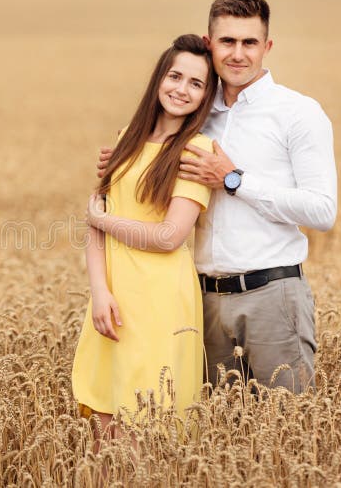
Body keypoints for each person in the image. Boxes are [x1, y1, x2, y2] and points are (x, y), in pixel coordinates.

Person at [95, 0, 337, 394]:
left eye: (249, 42)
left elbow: (322, 211)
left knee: (288, 433)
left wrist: (234, 179)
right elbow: (152, 155)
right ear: (210, 43)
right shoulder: (196, 114)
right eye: (227, 41)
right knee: (220, 440)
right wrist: (125, 162)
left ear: (267, 47)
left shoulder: (298, 112)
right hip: (201, 302)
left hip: (272, 296)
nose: (238, 53)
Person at [71, 34, 218, 444]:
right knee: (103, 419)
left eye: (196, 84)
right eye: (175, 76)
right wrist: (99, 292)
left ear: (206, 96)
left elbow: (169, 236)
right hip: (113, 296)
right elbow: (94, 225)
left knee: (145, 421)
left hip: (159, 300)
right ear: (159, 78)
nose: (181, 89)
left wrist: (102, 220)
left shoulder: (195, 150)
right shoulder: (125, 140)